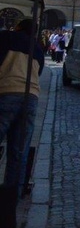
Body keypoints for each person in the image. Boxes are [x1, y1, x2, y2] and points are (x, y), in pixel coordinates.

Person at [0, 19, 44, 201]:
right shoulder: (38, 48)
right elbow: (39, 72)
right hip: (31, 97)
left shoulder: (6, 38)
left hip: (6, 92)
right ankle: (10, 202)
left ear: (17, 27)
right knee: (19, 153)